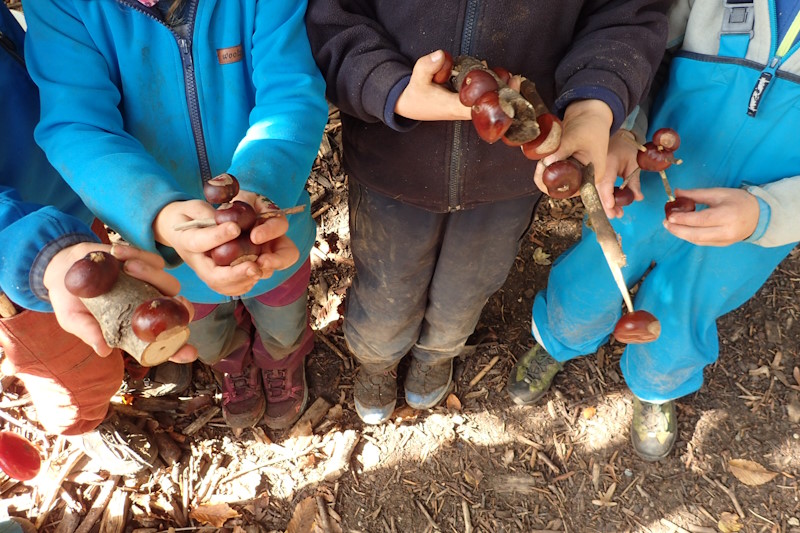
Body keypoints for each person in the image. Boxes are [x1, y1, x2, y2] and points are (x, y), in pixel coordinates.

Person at [305, 0, 671, 424]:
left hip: (507, 177)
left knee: (470, 283)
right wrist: (389, 87)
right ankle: (377, 358)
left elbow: (625, 16)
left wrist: (593, 105)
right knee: (387, 285)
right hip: (392, 165)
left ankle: (437, 353)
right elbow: (332, 18)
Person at [506, 0, 800, 461]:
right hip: (645, 187)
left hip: (748, 232)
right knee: (595, 273)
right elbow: (640, 54)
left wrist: (769, 213)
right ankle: (558, 340)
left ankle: (656, 387)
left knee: (686, 309)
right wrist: (623, 130)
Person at [23, 0, 329, 432]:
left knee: (282, 314)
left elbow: (291, 92)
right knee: (206, 331)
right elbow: (77, 126)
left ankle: (280, 358)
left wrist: (260, 188)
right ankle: (232, 365)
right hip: (170, 260)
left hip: (274, 230)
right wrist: (160, 214)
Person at [0, 2, 196, 475]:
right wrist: (40, 253)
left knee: (111, 300)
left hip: (67, 199)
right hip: (15, 267)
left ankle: (129, 353)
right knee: (70, 373)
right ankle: (89, 421)